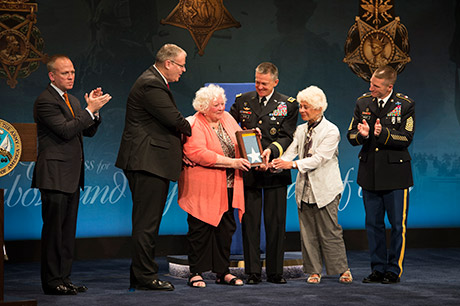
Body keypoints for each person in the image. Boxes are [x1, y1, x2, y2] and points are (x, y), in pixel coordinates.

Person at [32, 54, 111, 295]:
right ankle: (52, 281)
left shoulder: (73, 100)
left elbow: (85, 131)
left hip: (71, 176)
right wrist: (89, 109)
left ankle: (64, 278)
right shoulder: (45, 101)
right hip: (54, 175)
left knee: (67, 233)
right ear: (52, 76)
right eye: (65, 73)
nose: (70, 76)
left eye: (73, 72)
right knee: (54, 232)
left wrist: (94, 112)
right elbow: (66, 131)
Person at [115, 43, 191, 291]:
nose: (184, 70)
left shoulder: (154, 81)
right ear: (168, 63)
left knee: (146, 222)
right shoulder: (151, 83)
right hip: (147, 162)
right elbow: (175, 119)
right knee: (147, 224)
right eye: (181, 65)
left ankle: (140, 275)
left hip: (148, 162)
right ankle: (146, 276)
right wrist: (195, 126)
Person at [272, 86, 352, 284]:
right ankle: (314, 271)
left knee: (330, 231)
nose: (301, 110)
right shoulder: (301, 130)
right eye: (300, 106)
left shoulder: (331, 131)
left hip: (326, 190)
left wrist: (290, 164)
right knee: (307, 233)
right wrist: (275, 163)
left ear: (318, 108)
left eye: (306, 107)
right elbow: (291, 151)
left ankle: (342, 269)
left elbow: (319, 159)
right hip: (305, 190)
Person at [229, 62, 298, 284]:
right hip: (250, 171)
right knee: (250, 223)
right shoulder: (242, 100)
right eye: (257, 82)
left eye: (264, 84)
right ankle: (253, 272)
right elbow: (230, 127)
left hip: (275, 169)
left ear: (275, 82)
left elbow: (287, 136)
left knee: (276, 222)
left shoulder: (288, 104)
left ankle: (276, 272)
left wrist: (271, 150)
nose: (259, 86)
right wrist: (243, 135)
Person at [347, 65, 415, 284]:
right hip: (370, 174)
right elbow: (350, 135)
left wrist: (384, 134)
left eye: (375, 86)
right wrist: (362, 134)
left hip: (396, 175)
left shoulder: (405, 105)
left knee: (397, 225)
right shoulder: (362, 103)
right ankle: (377, 268)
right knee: (373, 224)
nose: (371, 88)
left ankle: (393, 270)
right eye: (371, 84)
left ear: (389, 87)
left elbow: (407, 137)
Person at [178, 84, 251, 288]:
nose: (221, 108)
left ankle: (223, 271)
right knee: (200, 230)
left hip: (228, 186)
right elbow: (198, 154)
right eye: (216, 105)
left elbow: (240, 140)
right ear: (203, 107)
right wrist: (232, 163)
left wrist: (253, 141)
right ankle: (196, 272)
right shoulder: (194, 124)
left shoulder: (227, 118)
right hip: (202, 188)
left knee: (226, 229)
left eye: (223, 104)